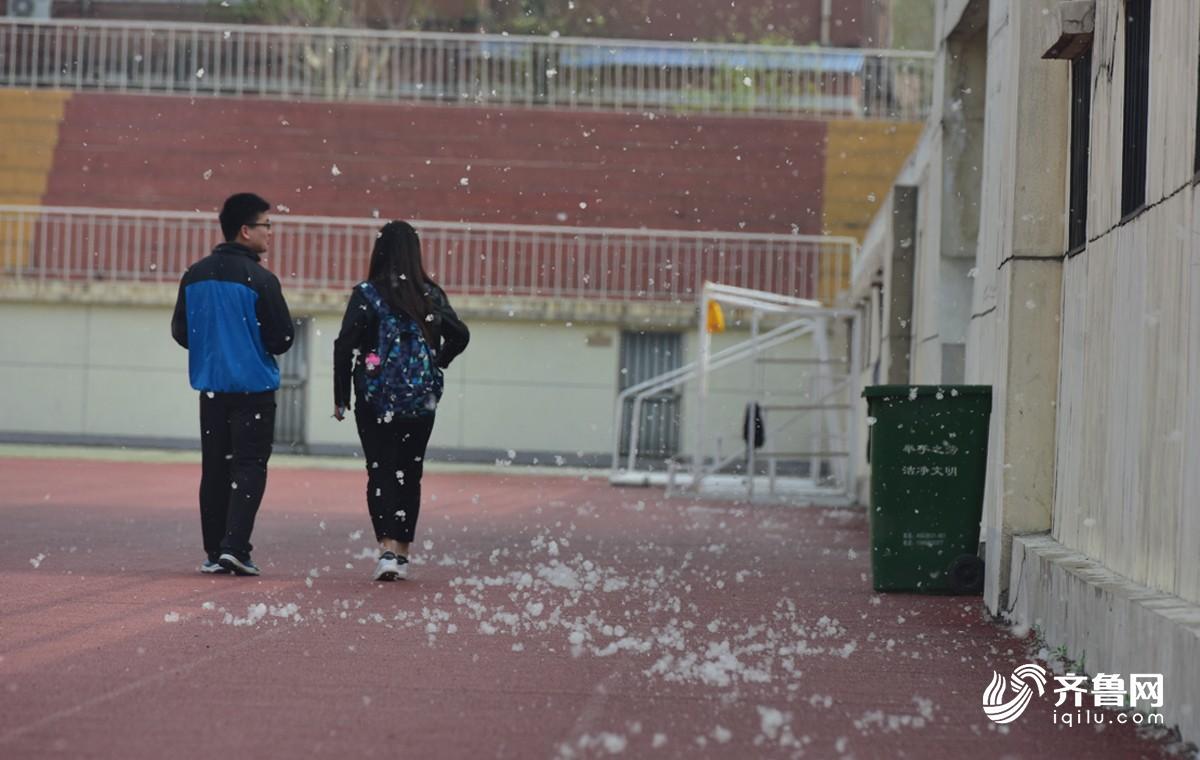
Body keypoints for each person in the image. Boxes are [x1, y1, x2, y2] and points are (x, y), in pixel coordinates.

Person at [333, 220, 469, 582]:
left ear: (380, 251)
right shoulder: (430, 294)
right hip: (419, 402)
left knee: (380, 470)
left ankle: (387, 551)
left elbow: (343, 344)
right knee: (411, 472)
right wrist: (437, 362)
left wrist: (341, 397)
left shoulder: (367, 294)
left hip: (375, 401)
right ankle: (405, 552)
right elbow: (461, 335)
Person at [171, 193, 294, 577]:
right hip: (253, 389)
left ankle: (214, 551)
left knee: (215, 469)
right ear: (246, 230)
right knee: (250, 467)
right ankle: (236, 547)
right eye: (266, 225)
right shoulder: (261, 280)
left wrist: (213, 345)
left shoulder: (194, 275)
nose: (271, 233)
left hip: (212, 389)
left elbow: (180, 332)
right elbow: (282, 338)